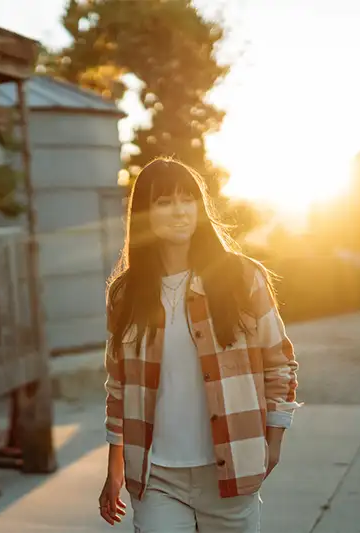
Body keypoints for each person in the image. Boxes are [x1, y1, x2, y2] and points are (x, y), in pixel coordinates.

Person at [97, 158, 300, 532]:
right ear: (144, 213)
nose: (179, 211)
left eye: (187, 199)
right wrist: (115, 468)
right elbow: (118, 385)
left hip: (230, 471)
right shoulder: (125, 294)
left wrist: (274, 442)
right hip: (156, 475)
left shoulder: (242, 277)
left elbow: (280, 363)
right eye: (164, 202)